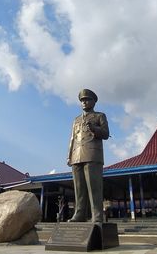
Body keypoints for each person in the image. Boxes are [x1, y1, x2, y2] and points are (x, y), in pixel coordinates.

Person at [67, 89, 109, 224]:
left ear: (93, 102)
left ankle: (97, 215)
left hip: (92, 154)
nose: (84, 102)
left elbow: (106, 134)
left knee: (94, 187)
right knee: (79, 188)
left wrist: (94, 129)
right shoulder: (76, 120)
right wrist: (69, 156)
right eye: (82, 100)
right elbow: (72, 138)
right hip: (76, 155)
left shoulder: (99, 116)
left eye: (87, 99)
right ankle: (79, 214)